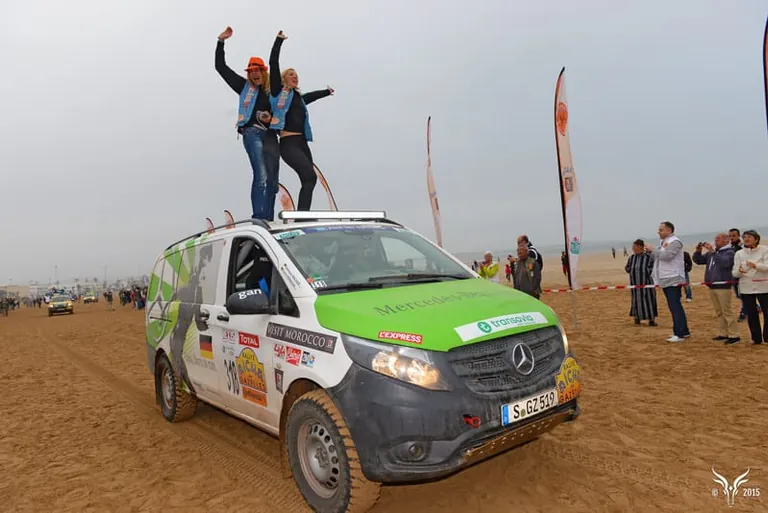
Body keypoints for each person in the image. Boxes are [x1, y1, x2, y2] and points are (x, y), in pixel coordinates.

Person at [216, 26, 280, 221]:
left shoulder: (273, 91)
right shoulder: (244, 86)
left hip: (270, 136)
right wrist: (221, 42)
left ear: (264, 72)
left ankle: (268, 218)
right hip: (252, 132)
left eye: (257, 70)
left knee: (273, 180)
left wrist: (270, 118)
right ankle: (259, 217)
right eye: (251, 71)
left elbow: (291, 104)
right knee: (261, 174)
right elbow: (221, 67)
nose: (254, 74)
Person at [269, 31, 334, 211]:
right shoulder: (278, 93)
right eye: (291, 74)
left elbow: (310, 97)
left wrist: (326, 92)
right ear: (284, 78)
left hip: (302, 143)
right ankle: (301, 216)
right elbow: (273, 63)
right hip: (288, 143)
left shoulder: (298, 98)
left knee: (310, 179)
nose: (295, 76)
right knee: (308, 175)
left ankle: (302, 215)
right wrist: (279, 41)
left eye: (296, 75)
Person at [647, 221, 690, 343]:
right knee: (674, 306)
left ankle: (679, 333)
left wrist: (653, 250)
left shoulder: (675, 242)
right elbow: (660, 256)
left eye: (661, 230)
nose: (658, 232)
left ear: (669, 230)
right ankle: (684, 331)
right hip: (666, 278)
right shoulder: (664, 242)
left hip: (673, 278)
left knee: (675, 306)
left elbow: (666, 256)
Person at [693, 233, 739, 344]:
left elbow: (725, 264)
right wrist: (698, 251)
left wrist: (713, 252)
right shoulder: (712, 253)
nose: (716, 240)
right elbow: (699, 260)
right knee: (719, 312)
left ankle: (734, 334)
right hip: (712, 286)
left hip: (723, 286)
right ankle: (723, 333)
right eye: (715, 239)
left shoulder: (730, 252)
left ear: (726, 240)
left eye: (718, 239)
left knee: (727, 311)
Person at [732, 229, 768, 345]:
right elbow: (734, 272)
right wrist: (739, 271)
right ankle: (756, 338)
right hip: (746, 287)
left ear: (756, 239)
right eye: (745, 237)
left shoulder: (765, 250)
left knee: (767, 312)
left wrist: (755, 265)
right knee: (751, 314)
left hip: (763, 286)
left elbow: (766, 267)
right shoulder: (739, 253)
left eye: (749, 237)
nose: (746, 239)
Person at [625, 239, 658, 326]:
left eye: (635, 246)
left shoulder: (648, 257)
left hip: (647, 284)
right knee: (636, 301)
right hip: (635, 284)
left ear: (640, 247)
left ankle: (651, 320)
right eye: (633, 247)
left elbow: (654, 268)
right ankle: (637, 318)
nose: (633, 248)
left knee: (649, 300)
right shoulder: (631, 258)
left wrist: (645, 272)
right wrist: (632, 271)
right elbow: (627, 268)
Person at [729, 228, 747, 321]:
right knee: (738, 294)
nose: (731, 238)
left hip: (743, 274)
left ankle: (744, 312)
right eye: (730, 236)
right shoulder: (730, 247)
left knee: (742, 293)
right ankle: (756, 306)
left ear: (738, 236)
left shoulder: (743, 246)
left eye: (734, 236)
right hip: (733, 273)